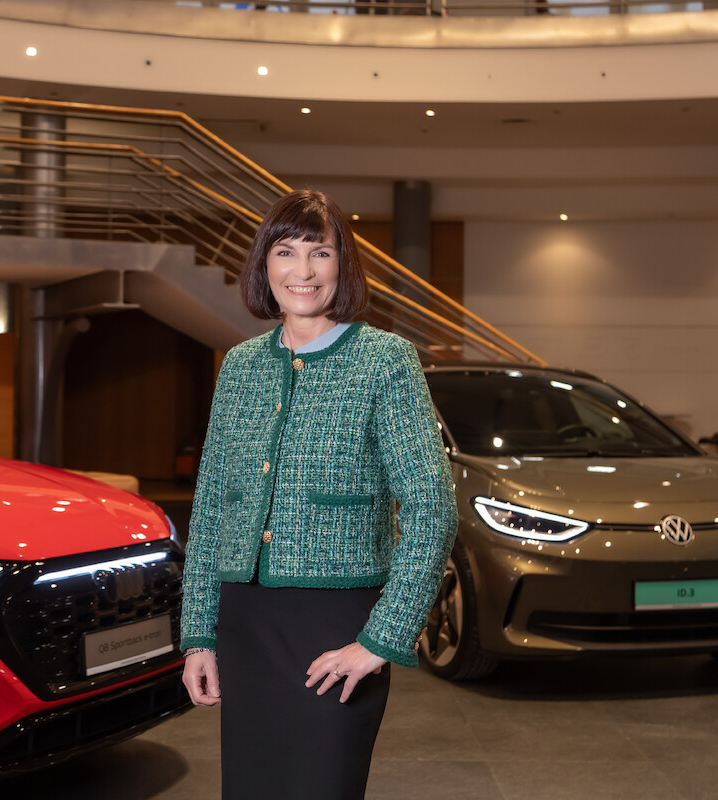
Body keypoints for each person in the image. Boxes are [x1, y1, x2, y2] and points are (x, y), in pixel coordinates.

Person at [179, 188, 458, 799]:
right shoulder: (240, 366)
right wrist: (200, 633)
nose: (302, 271)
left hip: (336, 626)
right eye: (286, 252)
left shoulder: (386, 361)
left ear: (342, 266)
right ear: (264, 265)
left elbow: (433, 507)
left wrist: (381, 639)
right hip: (247, 620)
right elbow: (210, 509)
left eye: (320, 253)